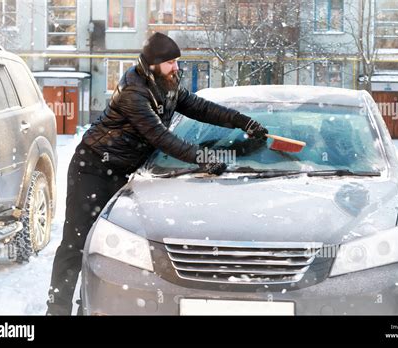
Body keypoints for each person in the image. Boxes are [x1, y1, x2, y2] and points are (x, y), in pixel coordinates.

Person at [46, 32, 268, 315]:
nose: (176, 67)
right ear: (152, 65)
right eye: (171, 62)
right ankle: (57, 308)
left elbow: (200, 107)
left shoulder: (167, 83)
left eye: (177, 62)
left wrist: (241, 121)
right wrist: (204, 158)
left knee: (105, 245)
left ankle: (84, 306)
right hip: (93, 167)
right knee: (77, 241)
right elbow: (160, 137)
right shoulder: (134, 92)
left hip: (123, 171)